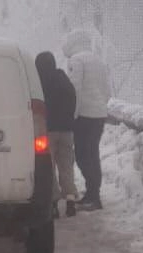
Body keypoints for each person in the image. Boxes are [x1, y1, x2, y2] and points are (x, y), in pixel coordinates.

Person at [62, 29, 112, 211]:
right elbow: (107, 90)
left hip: (84, 115)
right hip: (99, 114)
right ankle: (94, 194)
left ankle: (93, 196)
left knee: (83, 155)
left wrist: (72, 115)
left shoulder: (76, 61)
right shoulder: (98, 60)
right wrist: (102, 106)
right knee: (93, 153)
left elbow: (75, 90)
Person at [36, 51, 78, 217]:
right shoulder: (64, 80)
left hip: (49, 132)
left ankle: (53, 204)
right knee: (66, 166)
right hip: (67, 131)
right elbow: (73, 99)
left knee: (49, 166)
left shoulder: (40, 83)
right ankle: (70, 200)